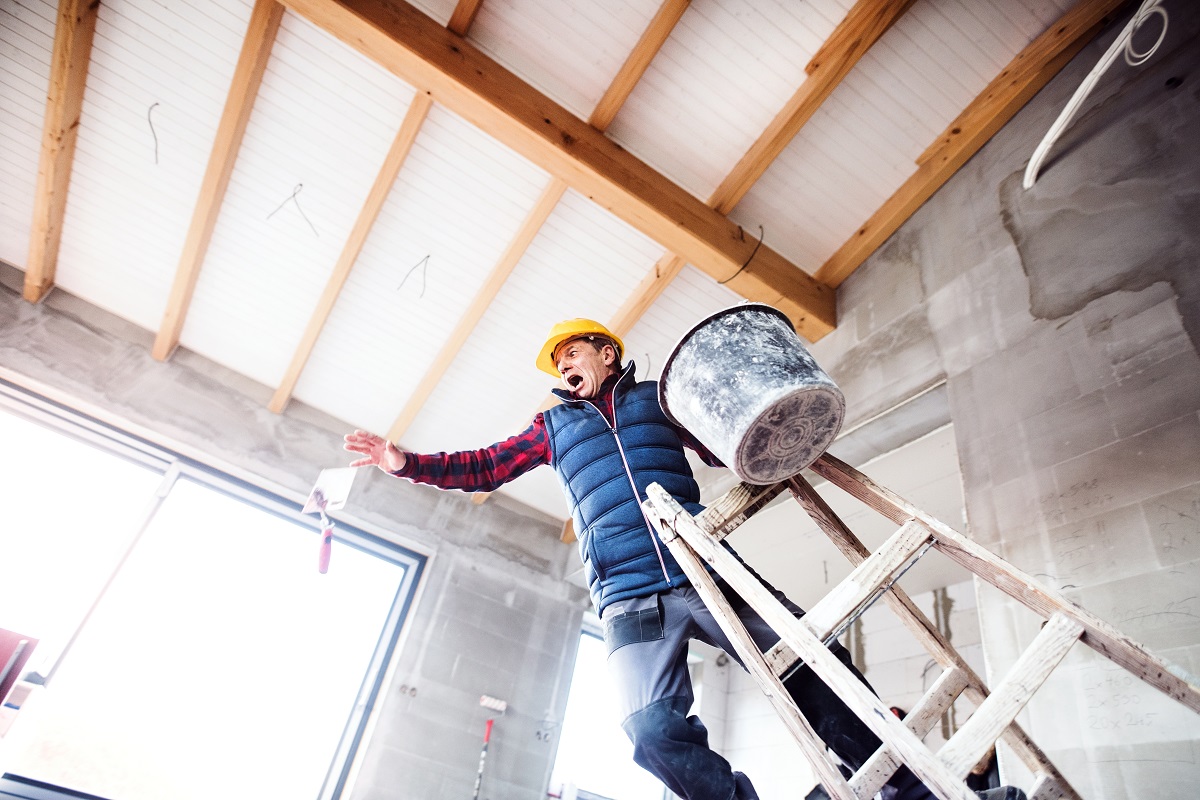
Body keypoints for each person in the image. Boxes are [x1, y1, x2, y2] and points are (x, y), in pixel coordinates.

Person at [344, 318, 1023, 800]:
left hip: (704, 567)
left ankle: (907, 788)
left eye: (571, 354)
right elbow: (485, 467)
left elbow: (730, 439)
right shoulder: (552, 428)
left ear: (607, 352)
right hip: (628, 596)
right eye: (557, 366)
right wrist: (405, 462)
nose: (563, 368)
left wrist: (775, 419)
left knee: (817, 664)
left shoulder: (656, 402)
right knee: (647, 731)